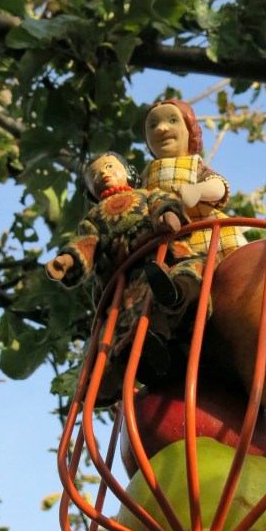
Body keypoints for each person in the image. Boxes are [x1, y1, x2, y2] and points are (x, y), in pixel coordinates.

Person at [45, 151, 208, 400]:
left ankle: (177, 293)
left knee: (189, 272)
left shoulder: (145, 195)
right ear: (90, 190)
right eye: (94, 175)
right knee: (126, 325)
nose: (103, 173)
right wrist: (66, 261)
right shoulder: (94, 219)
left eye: (110, 166)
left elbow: (163, 202)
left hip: (164, 257)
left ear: (128, 172)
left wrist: (168, 215)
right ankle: (124, 371)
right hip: (132, 279)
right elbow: (86, 244)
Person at [144, 98, 247, 262]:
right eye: (153, 125)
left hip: (208, 231)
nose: (161, 128)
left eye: (172, 120)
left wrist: (197, 190)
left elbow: (219, 187)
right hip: (171, 241)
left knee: (237, 263)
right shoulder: (145, 175)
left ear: (189, 131)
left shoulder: (193, 165)